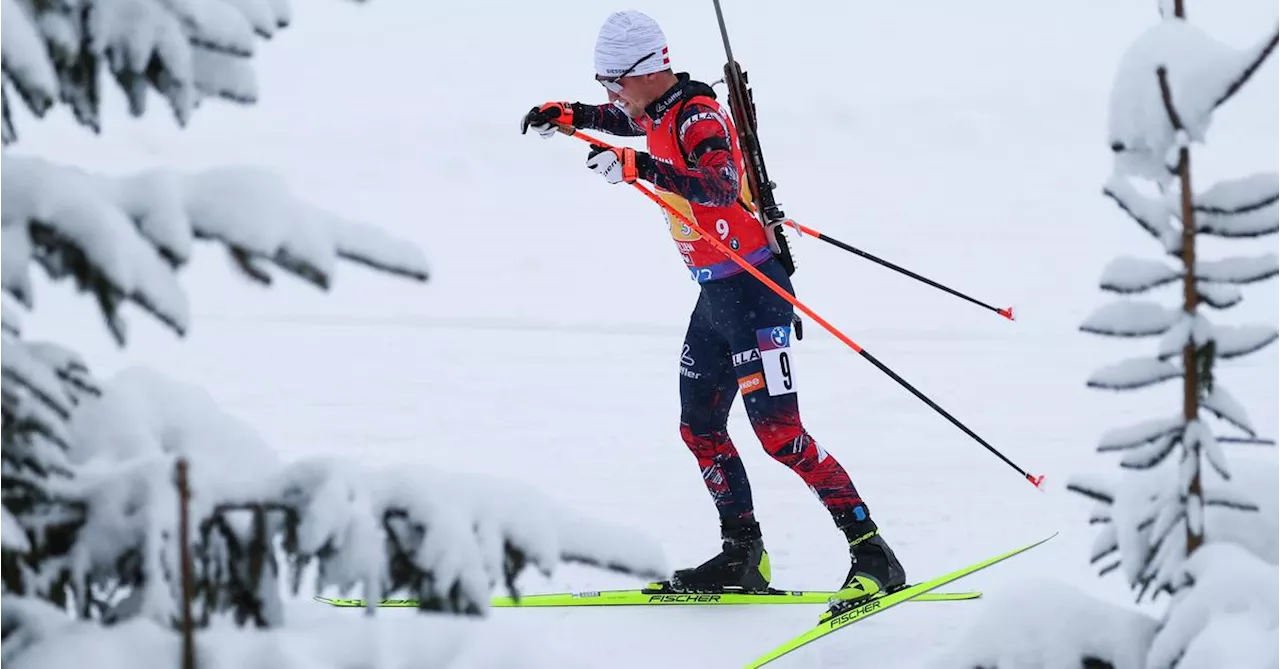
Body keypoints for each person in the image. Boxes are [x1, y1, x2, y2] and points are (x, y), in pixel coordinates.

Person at [520, 9, 905, 610]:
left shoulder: (697, 116)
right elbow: (618, 120)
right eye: (603, 85)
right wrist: (566, 116)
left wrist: (633, 166)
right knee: (699, 427)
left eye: (613, 81)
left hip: (756, 293)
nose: (610, 94)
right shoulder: (651, 109)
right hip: (715, 297)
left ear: (648, 71)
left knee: (780, 435)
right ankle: (742, 555)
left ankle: (874, 553)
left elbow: (719, 185)